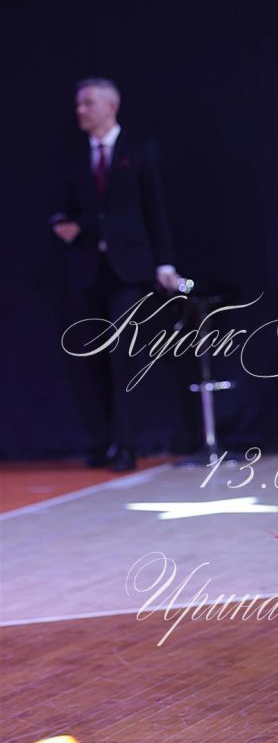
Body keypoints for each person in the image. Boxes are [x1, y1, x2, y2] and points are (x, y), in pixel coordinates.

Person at [51, 77, 182, 472]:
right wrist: (64, 224)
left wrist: (164, 263)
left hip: (129, 269)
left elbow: (155, 210)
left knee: (124, 355)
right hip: (88, 268)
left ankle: (126, 444)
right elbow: (66, 208)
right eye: (78, 104)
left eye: (87, 103)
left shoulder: (138, 151)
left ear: (110, 106)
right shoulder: (76, 158)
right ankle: (102, 440)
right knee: (90, 359)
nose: (80, 111)